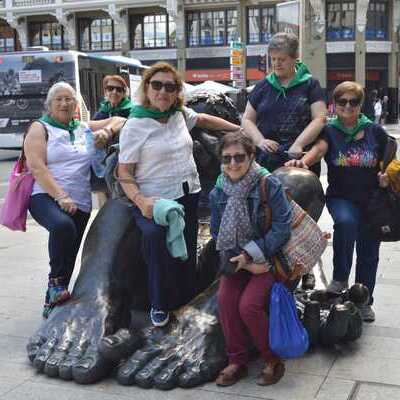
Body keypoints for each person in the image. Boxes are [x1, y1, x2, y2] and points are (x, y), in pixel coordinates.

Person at [117, 61, 242, 327]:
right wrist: (141, 202)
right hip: (155, 201)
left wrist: (239, 130)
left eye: (170, 87)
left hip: (188, 193)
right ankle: (159, 304)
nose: (163, 91)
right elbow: (124, 173)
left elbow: (205, 119)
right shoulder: (135, 124)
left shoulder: (178, 114)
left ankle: (184, 298)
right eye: (157, 85)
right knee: (156, 245)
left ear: (177, 91)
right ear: (147, 88)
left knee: (185, 251)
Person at [286, 81, 390, 323]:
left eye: (353, 101)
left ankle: (364, 300)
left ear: (360, 104)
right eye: (342, 101)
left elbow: (390, 161)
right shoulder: (330, 131)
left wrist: (387, 178)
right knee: (345, 222)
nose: (347, 106)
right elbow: (319, 150)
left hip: (373, 201)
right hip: (342, 197)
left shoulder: (376, 132)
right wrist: (303, 161)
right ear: (335, 104)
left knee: (369, 251)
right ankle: (340, 278)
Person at [24, 82, 124, 318]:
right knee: (62, 227)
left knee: (70, 251)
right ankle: (54, 285)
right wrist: (61, 196)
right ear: (49, 104)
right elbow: (37, 167)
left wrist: (107, 132)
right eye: (59, 99)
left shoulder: (82, 128)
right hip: (45, 195)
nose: (64, 103)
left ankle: (54, 303)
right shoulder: (40, 128)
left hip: (80, 200)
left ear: (77, 105)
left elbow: (121, 120)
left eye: (69, 99)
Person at [210, 132, 292, 387]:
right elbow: (215, 230)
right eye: (227, 159)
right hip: (237, 259)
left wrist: (252, 256)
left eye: (239, 157)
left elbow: (282, 227)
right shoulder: (218, 191)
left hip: (268, 257)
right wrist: (239, 259)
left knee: (249, 305)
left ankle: (272, 359)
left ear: (251, 157)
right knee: (225, 301)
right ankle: (237, 360)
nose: (233, 164)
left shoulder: (268, 184)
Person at [242, 32, 327, 175]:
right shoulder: (263, 85)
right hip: (266, 163)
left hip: (299, 163)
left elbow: (320, 119)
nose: (276, 64)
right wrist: (260, 141)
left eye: (282, 59)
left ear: (295, 58)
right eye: (273, 59)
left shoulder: (310, 84)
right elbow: (247, 119)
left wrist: (299, 144)